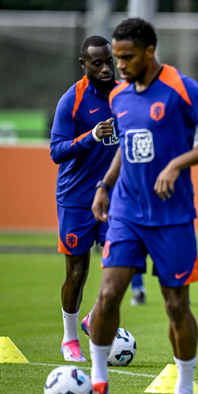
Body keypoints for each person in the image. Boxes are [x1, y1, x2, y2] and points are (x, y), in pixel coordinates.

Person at [89, 18, 198, 394]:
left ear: (149, 52)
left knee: (175, 305)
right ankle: (97, 379)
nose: (119, 65)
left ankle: (184, 385)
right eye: (116, 57)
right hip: (126, 211)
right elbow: (126, 145)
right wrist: (105, 185)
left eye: (127, 57)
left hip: (172, 215)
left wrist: (176, 163)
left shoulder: (181, 87)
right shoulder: (119, 96)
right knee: (107, 293)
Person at [50, 35, 120, 363]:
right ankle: (69, 337)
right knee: (77, 272)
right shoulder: (72, 101)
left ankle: (94, 318)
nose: (106, 68)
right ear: (84, 65)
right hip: (76, 198)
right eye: (98, 63)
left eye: (110, 61)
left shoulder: (126, 94)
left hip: (114, 199)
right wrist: (91, 136)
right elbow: (56, 151)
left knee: (123, 265)